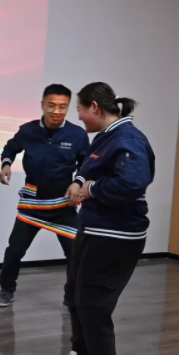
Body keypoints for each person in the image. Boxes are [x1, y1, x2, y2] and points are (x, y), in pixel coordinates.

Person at [64, 83, 154, 355]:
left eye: (79, 109)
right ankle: (81, 351)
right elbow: (90, 166)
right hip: (92, 229)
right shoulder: (105, 136)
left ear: (94, 107)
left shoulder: (129, 139)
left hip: (115, 236)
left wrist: (90, 189)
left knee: (93, 306)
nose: (78, 116)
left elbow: (130, 184)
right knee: (74, 297)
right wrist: (79, 181)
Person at [0, 84, 90, 307]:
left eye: (62, 107)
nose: (56, 111)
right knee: (14, 250)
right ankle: (6, 289)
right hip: (33, 204)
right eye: (51, 106)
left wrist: (78, 182)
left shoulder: (77, 135)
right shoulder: (28, 130)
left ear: (68, 107)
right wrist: (6, 164)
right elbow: (10, 148)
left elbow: (86, 164)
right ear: (42, 105)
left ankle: (72, 296)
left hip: (63, 204)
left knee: (76, 253)